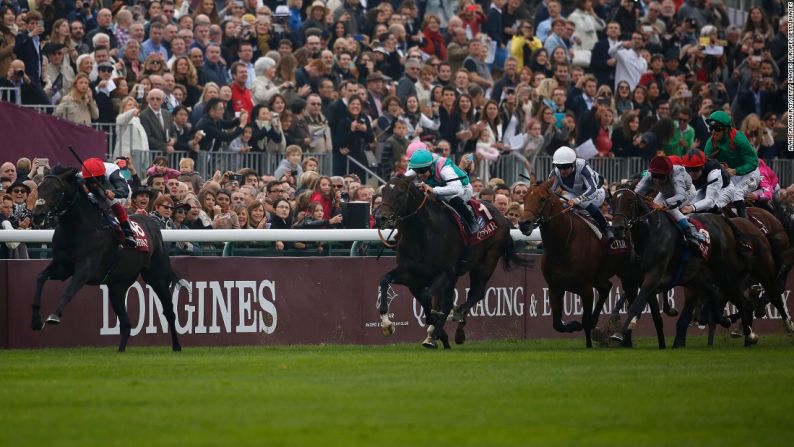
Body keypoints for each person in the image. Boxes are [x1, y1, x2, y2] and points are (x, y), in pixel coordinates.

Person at [635, 155, 704, 246]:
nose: (658, 180)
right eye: (656, 176)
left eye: (661, 177)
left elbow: (680, 195)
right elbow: (636, 194)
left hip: (686, 192)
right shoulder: (649, 175)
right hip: (665, 192)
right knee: (653, 209)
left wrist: (664, 204)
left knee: (670, 209)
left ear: (669, 172)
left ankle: (691, 232)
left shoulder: (677, 173)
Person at [405, 149, 477, 233]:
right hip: (439, 187)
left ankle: (471, 220)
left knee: (449, 196)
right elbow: (400, 181)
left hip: (462, 189)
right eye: (416, 171)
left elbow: (456, 189)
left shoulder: (445, 168)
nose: (420, 174)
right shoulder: (417, 166)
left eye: (422, 171)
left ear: (431, 166)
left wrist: (433, 190)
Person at [703, 110, 760, 218]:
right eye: (711, 128)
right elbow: (705, 165)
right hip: (730, 175)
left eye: (717, 129)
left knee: (736, 193)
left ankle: (746, 226)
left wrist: (735, 171)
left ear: (726, 129)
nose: (713, 132)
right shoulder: (711, 142)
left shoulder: (738, 138)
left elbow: (753, 162)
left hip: (750, 174)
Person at [548, 146, 612, 239]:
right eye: (559, 166)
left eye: (565, 167)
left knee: (584, 202)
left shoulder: (583, 167)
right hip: (575, 194)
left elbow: (593, 189)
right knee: (561, 201)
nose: (562, 170)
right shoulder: (555, 173)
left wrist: (577, 200)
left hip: (596, 193)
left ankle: (606, 226)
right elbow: (549, 192)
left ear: (573, 164)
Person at [79, 157, 136, 248]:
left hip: (117, 191)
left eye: (97, 179)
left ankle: (129, 234)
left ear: (103, 174)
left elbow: (124, 190)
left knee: (112, 202)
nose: (94, 183)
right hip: (97, 193)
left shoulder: (112, 171)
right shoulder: (81, 176)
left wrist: (114, 193)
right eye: (91, 180)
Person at [679, 149, 733, 215]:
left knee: (709, 207)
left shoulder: (714, 173)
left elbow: (710, 200)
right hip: (704, 189)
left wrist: (692, 208)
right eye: (688, 169)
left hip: (724, 189)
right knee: (688, 204)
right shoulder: (683, 170)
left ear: (703, 166)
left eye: (695, 170)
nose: (691, 173)